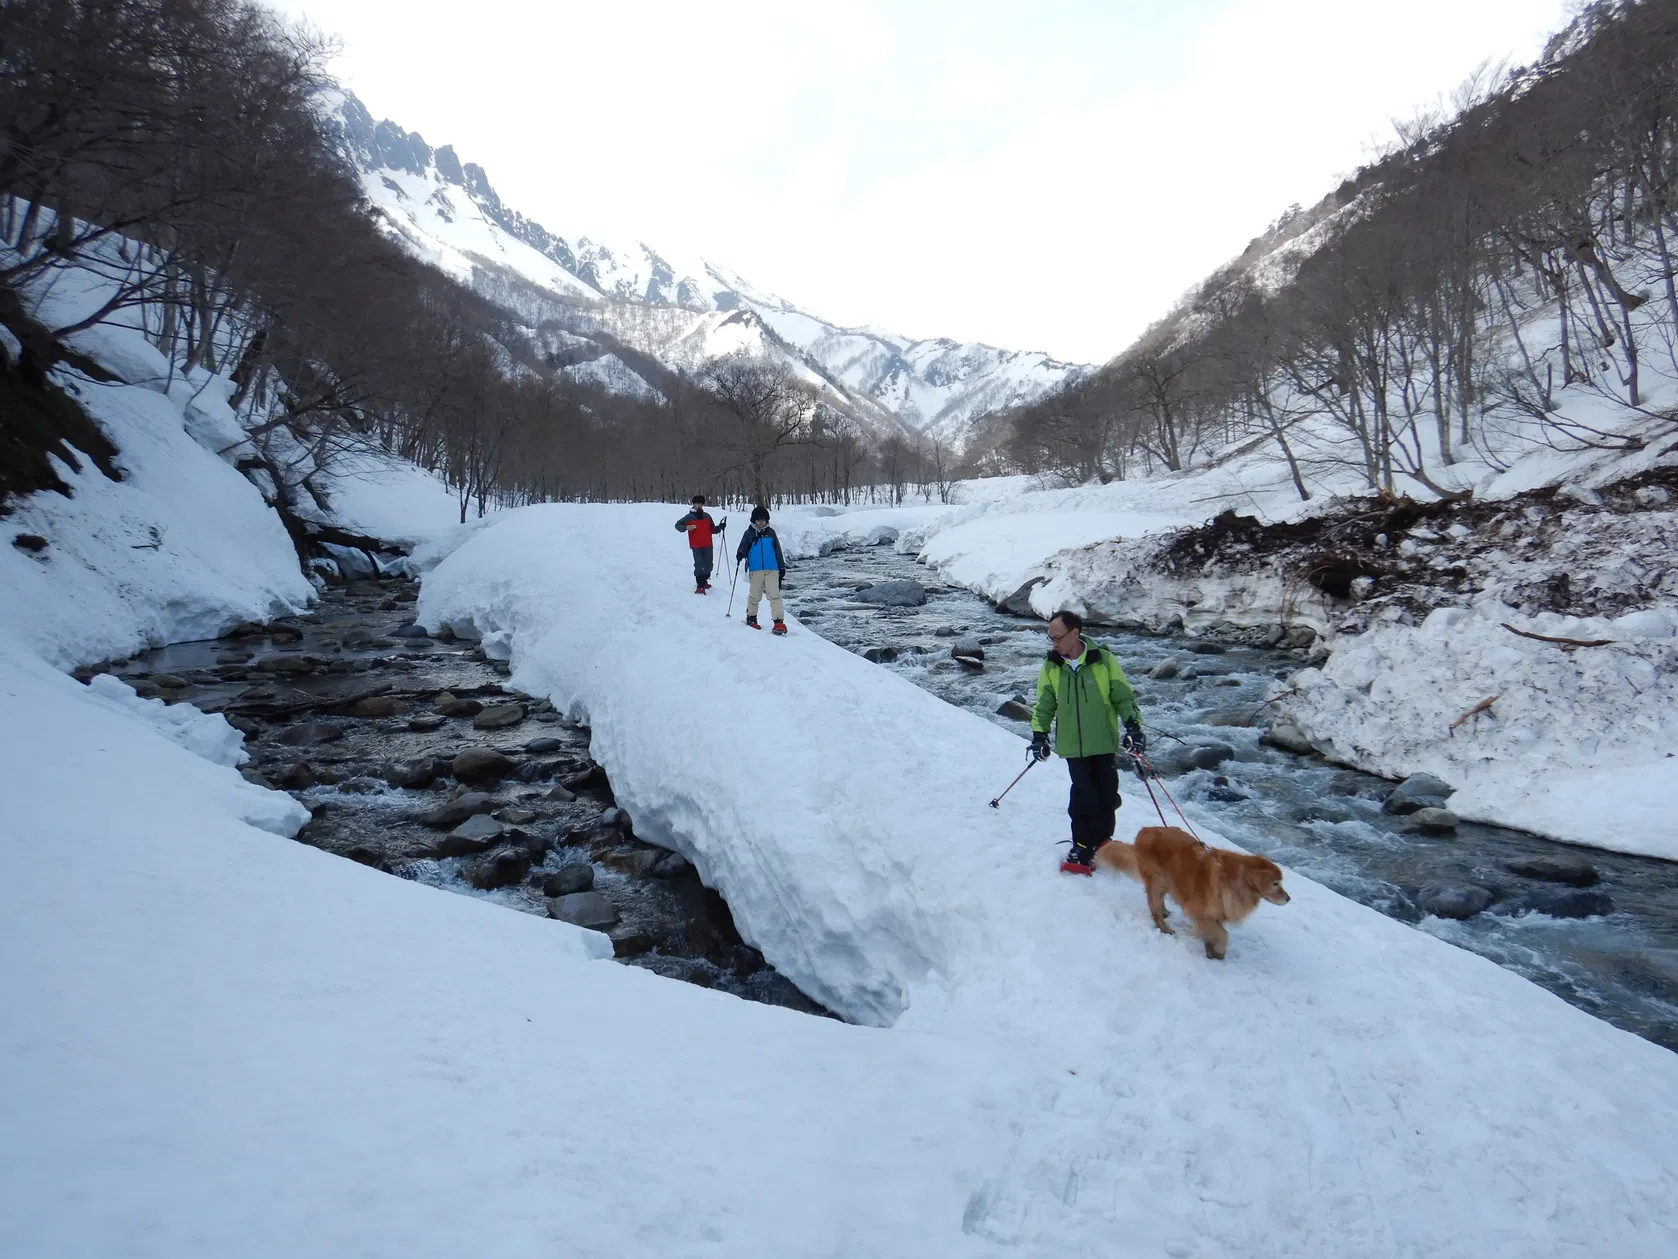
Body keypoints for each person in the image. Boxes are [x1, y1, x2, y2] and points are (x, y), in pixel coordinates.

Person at [1028, 609, 1146, 875]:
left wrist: (1133, 726)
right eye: (1051, 638)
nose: (1054, 643)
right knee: (1083, 796)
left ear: (1075, 634)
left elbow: (1123, 697)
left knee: (1107, 795)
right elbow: (1045, 704)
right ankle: (1081, 845)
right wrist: (1039, 734)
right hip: (1073, 746)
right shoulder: (1051, 666)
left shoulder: (1103, 660)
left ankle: (1103, 841)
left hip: (1103, 741)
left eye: (1057, 638)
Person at [734, 505, 788, 634]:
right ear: (754, 520)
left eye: (763, 519)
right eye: (758, 520)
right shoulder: (749, 533)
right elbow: (743, 546)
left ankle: (778, 622)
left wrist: (781, 566)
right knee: (755, 595)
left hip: (772, 568)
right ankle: (751, 617)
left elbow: (777, 550)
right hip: (756, 568)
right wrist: (740, 553)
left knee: (774, 595)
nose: (761, 522)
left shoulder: (771, 533)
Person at [674, 495, 725, 594]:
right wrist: (686, 527)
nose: (699, 505)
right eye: (697, 503)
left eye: (701, 504)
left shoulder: (707, 516)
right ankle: (700, 585)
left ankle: (704, 581)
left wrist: (720, 527)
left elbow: (712, 529)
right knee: (699, 564)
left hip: (708, 544)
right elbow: (677, 525)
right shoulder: (688, 517)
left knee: (709, 565)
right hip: (696, 545)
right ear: (693, 504)